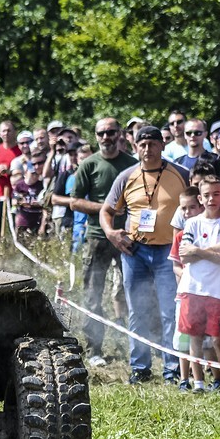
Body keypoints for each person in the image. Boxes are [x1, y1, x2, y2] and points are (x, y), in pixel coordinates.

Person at [101, 125, 188, 384]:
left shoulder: (180, 174)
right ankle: (140, 367)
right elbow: (106, 210)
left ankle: (172, 368)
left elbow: (197, 208)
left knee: (169, 310)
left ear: (162, 145)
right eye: (143, 145)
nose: (148, 149)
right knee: (137, 310)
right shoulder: (126, 176)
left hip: (168, 253)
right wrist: (111, 234)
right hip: (135, 251)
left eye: (152, 144)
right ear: (135, 147)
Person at [67, 118, 136, 367]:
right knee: (93, 293)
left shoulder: (132, 164)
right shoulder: (89, 164)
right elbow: (75, 202)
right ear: (95, 136)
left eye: (110, 132)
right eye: (101, 133)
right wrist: (106, 209)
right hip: (97, 236)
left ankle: (139, 346)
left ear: (120, 135)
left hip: (129, 236)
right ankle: (94, 347)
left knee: (135, 290)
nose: (106, 137)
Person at [178, 176, 220, 395]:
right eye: (206, 195)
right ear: (200, 199)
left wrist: (199, 251)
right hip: (191, 287)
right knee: (194, 337)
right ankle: (198, 383)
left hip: (216, 290)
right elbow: (185, 256)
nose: (211, 199)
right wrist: (215, 249)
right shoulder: (192, 223)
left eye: (215, 194)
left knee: (217, 339)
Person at [169, 187, 205, 391]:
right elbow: (175, 265)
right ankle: (184, 378)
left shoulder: (208, 233)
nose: (187, 212)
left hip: (206, 291)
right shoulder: (180, 236)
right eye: (183, 208)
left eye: (192, 207)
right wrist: (188, 274)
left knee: (205, 339)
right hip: (184, 293)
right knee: (183, 337)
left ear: (201, 206)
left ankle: (208, 377)